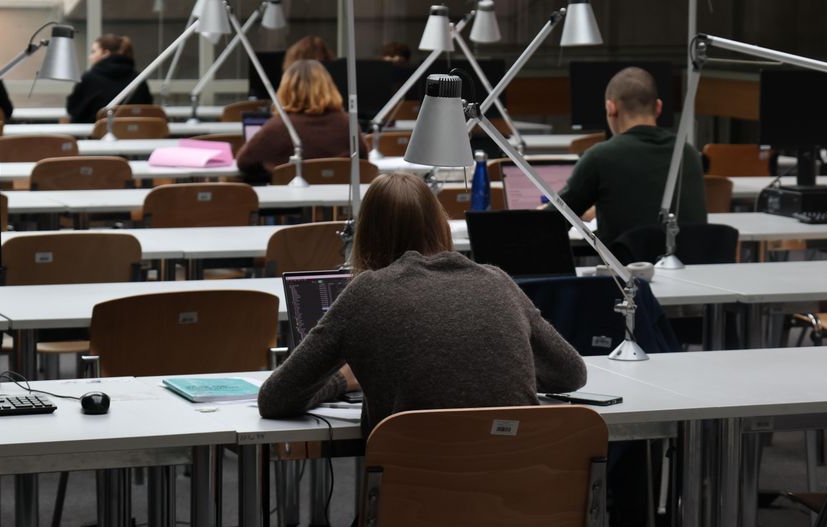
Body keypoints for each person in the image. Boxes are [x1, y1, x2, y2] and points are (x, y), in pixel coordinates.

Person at [257, 172, 587, 439]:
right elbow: (571, 373)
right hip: (521, 487)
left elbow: (275, 398)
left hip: (416, 491)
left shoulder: (366, 292)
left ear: (367, 236)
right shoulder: (498, 282)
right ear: (440, 224)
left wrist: (343, 381)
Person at [558, 66, 707, 246]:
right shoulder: (688, 154)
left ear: (611, 108)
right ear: (658, 107)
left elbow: (552, 222)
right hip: (689, 263)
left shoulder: (600, 157)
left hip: (627, 264)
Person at [235, 59, 367, 185]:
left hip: (287, 199)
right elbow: (363, 160)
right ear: (329, 87)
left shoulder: (278, 126)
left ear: (286, 90)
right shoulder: (347, 124)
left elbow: (244, 162)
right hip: (340, 198)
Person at [65, 34, 152, 124]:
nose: (90, 57)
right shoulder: (137, 78)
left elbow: (72, 109)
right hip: (133, 131)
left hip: (94, 131)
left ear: (105, 53)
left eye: (93, 52)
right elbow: (147, 109)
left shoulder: (89, 78)